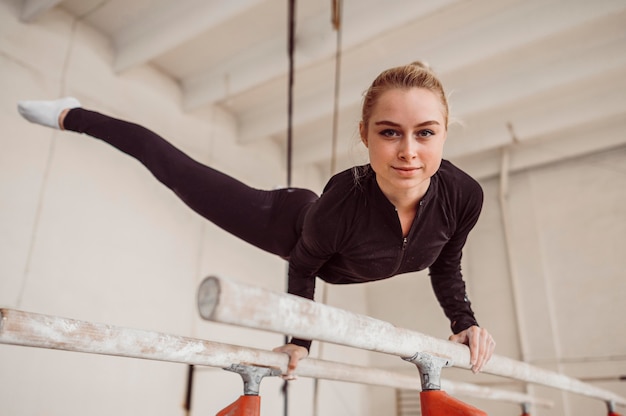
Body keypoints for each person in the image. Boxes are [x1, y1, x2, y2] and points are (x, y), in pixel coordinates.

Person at [17, 61, 495, 379]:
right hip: (287, 219)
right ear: (365, 135)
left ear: (444, 134)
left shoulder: (463, 196)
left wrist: (464, 323)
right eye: (390, 132)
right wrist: (299, 342)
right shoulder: (342, 205)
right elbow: (304, 267)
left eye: (425, 133)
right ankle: (71, 114)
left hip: (324, 227)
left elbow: (446, 266)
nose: (408, 151)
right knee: (170, 166)